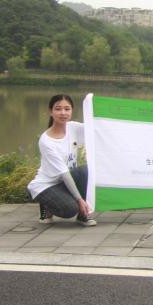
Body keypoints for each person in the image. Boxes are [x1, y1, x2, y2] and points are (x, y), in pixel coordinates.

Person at [27, 95, 96, 226]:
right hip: (46, 185)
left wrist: (93, 104)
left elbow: (96, 129)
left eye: (67, 109)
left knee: (86, 170)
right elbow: (65, 174)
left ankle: (83, 215)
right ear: (51, 111)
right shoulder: (46, 141)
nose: (63, 113)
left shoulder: (73, 127)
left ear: (72, 111)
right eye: (58, 109)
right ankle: (46, 204)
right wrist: (79, 199)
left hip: (64, 181)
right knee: (70, 209)